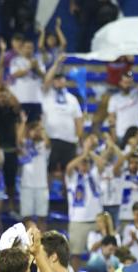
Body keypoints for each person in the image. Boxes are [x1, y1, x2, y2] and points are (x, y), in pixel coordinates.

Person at [41, 55, 83, 183]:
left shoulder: (72, 99)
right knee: (48, 172)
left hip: (69, 140)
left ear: (65, 80)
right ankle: (46, 200)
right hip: (52, 139)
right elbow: (46, 80)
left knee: (69, 174)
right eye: (56, 79)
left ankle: (69, 201)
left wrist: (79, 139)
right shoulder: (46, 94)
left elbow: (78, 120)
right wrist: (56, 64)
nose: (59, 81)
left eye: (61, 79)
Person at [17, 115, 50, 227]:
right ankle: (28, 243)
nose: (36, 133)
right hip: (27, 186)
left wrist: (41, 128)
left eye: (38, 131)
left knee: (42, 218)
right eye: (34, 130)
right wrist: (23, 122)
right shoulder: (25, 145)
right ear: (29, 132)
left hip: (42, 186)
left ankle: (42, 243)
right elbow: (18, 140)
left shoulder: (44, 146)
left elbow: (47, 142)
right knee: (26, 218)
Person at [107, 59, 138, 139]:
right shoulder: (114, 99)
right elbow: (111, 119)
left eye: (129, 83)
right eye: (125, 83)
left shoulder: (136, 94)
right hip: (121, 135)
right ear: (120, 83)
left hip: (135, 135)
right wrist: (114, 136)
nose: (128, 85)